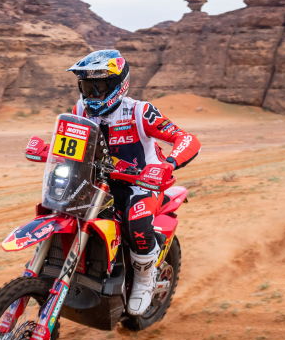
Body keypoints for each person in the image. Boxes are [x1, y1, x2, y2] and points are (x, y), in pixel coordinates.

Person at [67, 49, 201, 316]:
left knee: (136, 223)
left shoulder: (140, 112)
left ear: (118, 85)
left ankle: (143, 280)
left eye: (99, 85)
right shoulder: (80, 110)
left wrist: (168, 164)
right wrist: (47, 149)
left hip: (141, 185)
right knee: (62, 205)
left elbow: (187, 140)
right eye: (86, 86)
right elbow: (71, 144)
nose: (91, 94)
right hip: (99, 183)